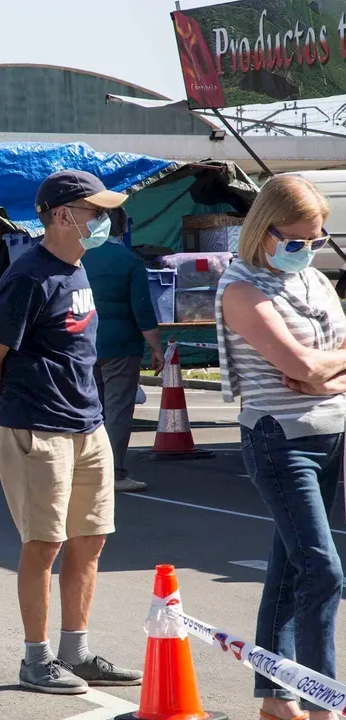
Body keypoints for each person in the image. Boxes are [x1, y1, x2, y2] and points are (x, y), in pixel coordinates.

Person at [0, 170, 142, 694]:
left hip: (87, 428)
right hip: (37, 429)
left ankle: (76, 651)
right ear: (65, 215)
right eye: (97, 211)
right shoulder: (30, 276)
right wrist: (13, 412)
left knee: (89, 540)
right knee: (43, 544)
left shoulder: (77, 268)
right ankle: (35, 658)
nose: (106, 221)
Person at [217, 175, 346, 720]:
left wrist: (322, 375)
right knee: (323, 571)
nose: (308, 251)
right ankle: (324, 702)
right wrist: (313, 369)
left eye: (317, 240)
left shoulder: (315, 282)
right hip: (279, 439)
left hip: (330, 431)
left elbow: (321, 363)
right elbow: (300, 367)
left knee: (290, 569)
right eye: (297, 241)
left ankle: (274, 696)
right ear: (263, 232)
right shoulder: (241, 288)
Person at [82, 206, 165, 493]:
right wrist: (157, 348)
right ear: (122, 228)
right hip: (121, 345)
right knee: (117, 411)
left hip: (84, 343)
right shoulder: (129, 261)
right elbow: (143, 310)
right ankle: (114, 472)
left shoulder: (79, 257)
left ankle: (87, 470)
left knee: (91, 410)